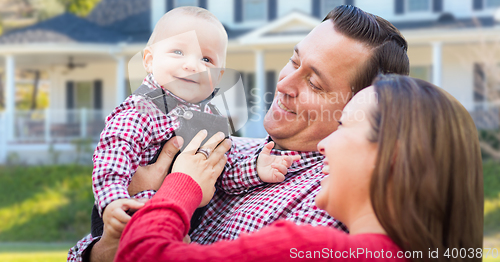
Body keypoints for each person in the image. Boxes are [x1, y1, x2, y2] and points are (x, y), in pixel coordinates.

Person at [72, 5, 411, 261]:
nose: (283, 84)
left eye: (315, 83)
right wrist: (109, 238)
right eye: (294, 62)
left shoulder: (328, 202)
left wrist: (176, 188)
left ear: (361, 106)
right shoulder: (228, 148)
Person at [115, 75, 484, 262]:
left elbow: (142, 255)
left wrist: (182, 183)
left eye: (344, 127)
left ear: (391, 156)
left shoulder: (308, 248)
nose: (325, 146)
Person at [68, 7, 298, 262]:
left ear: (218, 77)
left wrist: (255, 169)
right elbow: (113, 157)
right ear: (149, 60)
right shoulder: (141, 109)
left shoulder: (212, 120)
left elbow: (220, 171)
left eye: (207, 60)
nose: (192, 65)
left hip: (178, 229)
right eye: (178, 52)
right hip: (130, 214)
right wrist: (113, 201)